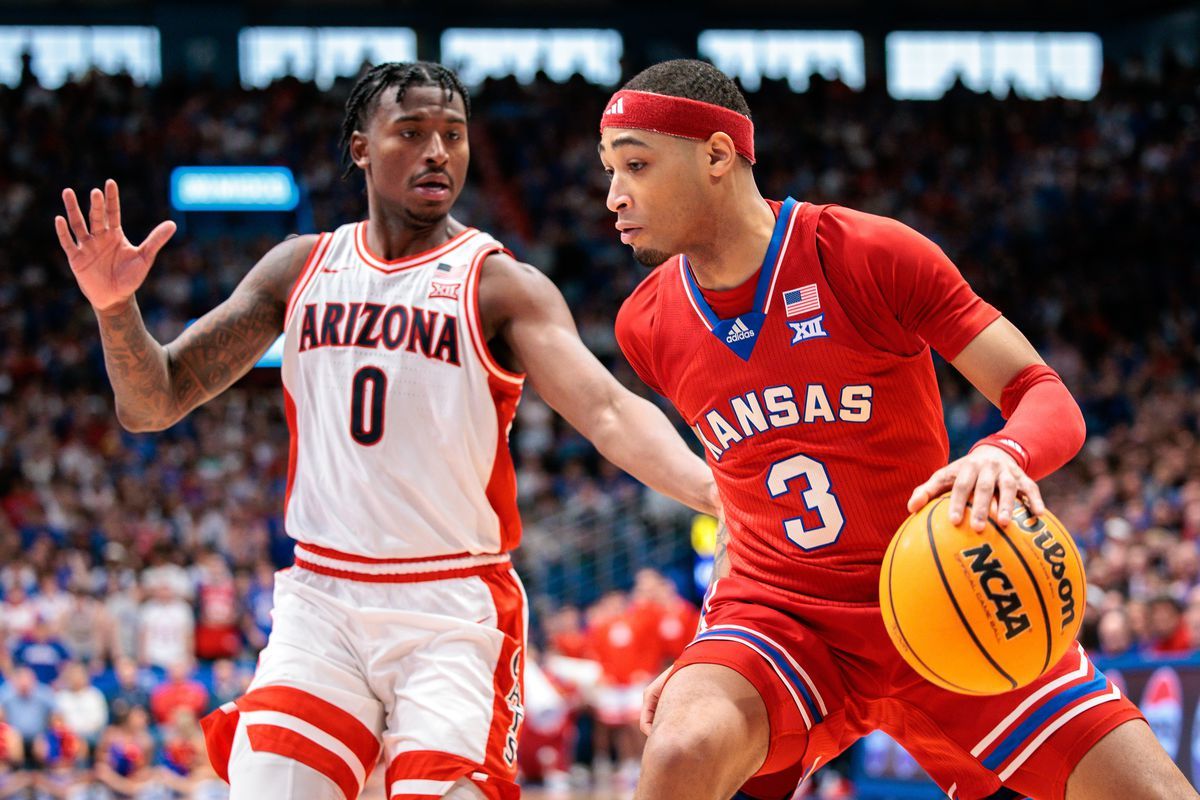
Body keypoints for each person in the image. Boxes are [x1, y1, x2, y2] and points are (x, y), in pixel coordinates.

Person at [54, 60, 716, 800]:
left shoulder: (498, 283)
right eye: (412, 132)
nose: (438, 151)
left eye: (454, 135)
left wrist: (714, 492)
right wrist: (115, 311)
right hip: (323, 601)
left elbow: (608, 409)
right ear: (362, 148)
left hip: (450, 608)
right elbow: (155, 402)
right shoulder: (297, 269)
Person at [598, 59, 1196, 800]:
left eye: (636, 165)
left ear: (718, 155)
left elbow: (1044, 395)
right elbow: (742, 491)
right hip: (783, 617)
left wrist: (1002, 453)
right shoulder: (646, 325)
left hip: (951, 589)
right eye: (609, 170)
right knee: (680, 748)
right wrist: (704, 653)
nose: (614, 196)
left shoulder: (864, 253)